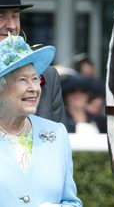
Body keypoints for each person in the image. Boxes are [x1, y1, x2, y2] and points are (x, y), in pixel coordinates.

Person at [0, 35, 82, 207]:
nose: (33, 88)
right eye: (23, 80)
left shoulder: (57, 134)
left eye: (35, 78)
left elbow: (72, 202)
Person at [0, 0, 66, 124]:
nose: (11, 26)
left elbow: (58, 141)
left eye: (15, 16)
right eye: (1, 16)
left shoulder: (48, 77)